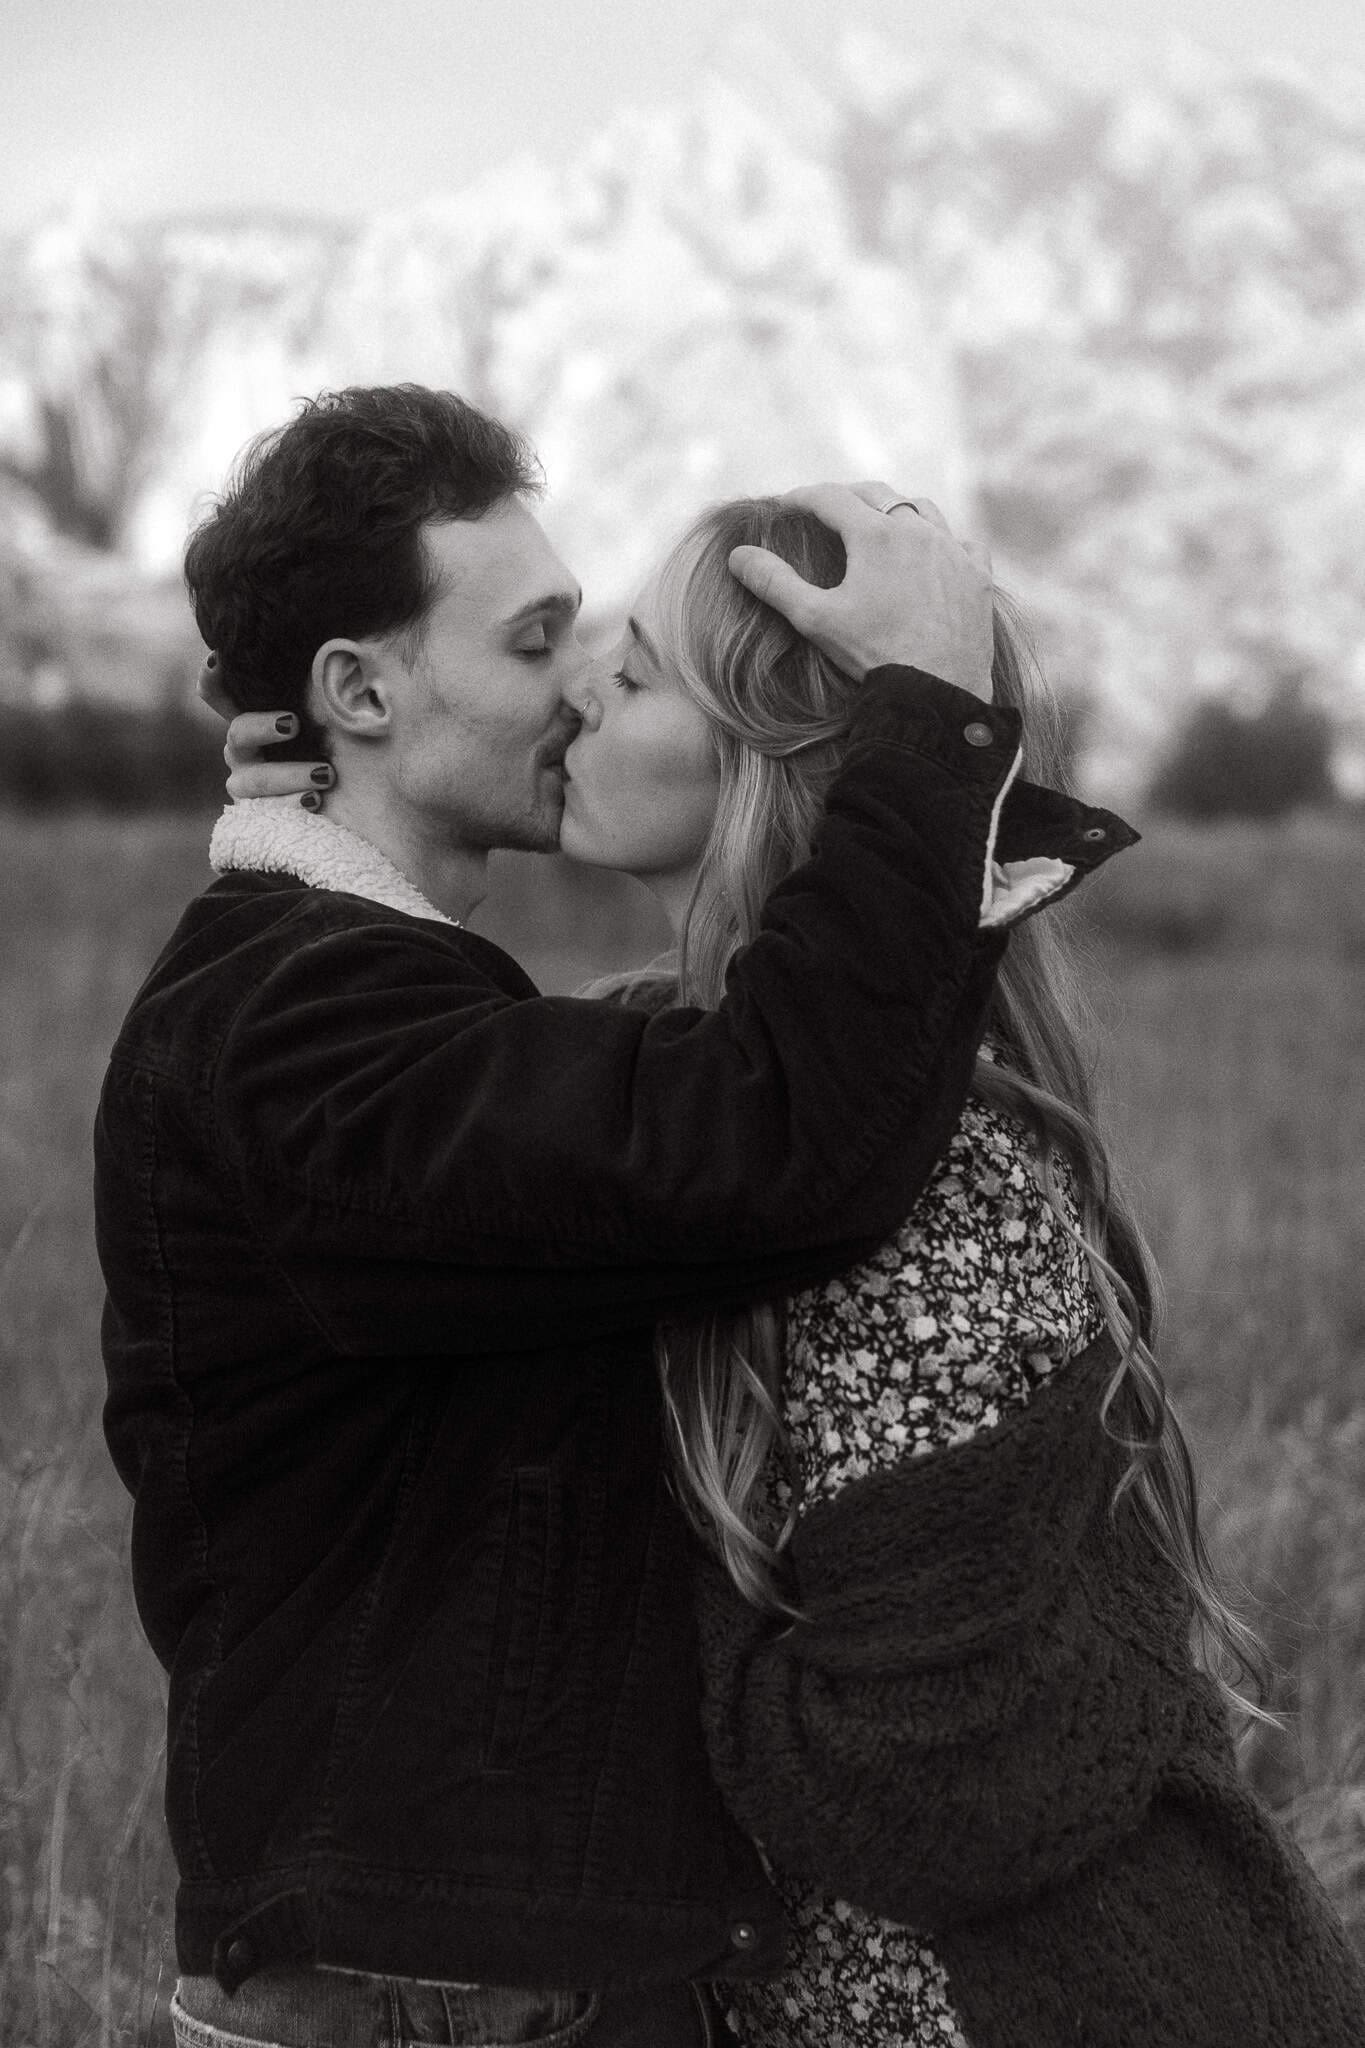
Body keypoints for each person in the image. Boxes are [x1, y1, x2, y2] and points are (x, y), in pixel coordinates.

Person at [232, 490, 1365, 2047]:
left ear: (772, 755)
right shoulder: (680, 1098)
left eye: (628, 681)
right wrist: (327, 823)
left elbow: (930, 1766)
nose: (572, 693)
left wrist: (613, 1679)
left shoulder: (931, 1181)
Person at [95, 383, 1116, 2048]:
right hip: (415, 1977)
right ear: (356, 691)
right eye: (534, 643)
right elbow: (765, 1140)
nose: (579, 687)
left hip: (458, 1950)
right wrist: (922, 718)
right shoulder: (299, 1028)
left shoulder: (362, 993)